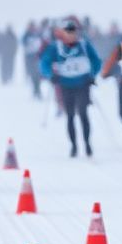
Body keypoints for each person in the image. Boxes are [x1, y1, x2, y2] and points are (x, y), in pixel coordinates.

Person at [39, 17, 102, 157]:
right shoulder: (56, 47)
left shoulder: (84, 45)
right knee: (70, 116)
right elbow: (44, 63)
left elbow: (96, 61)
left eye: (73, 31)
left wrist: (93, 75)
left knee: (83, 113)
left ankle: (87, 143)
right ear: (62, 33)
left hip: (83, 84)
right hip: (66, 85)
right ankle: (73, 146)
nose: (71, 34)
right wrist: (50, 75)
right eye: (68, 31)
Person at [22, 21, 45, 98]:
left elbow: (43, 44)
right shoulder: (26, 35)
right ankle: (35, 89)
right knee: (32, 74)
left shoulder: (39, 35)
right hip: (30, 57)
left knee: (38, 74)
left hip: (38, 56)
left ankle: (38, 90)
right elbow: (23, 43)